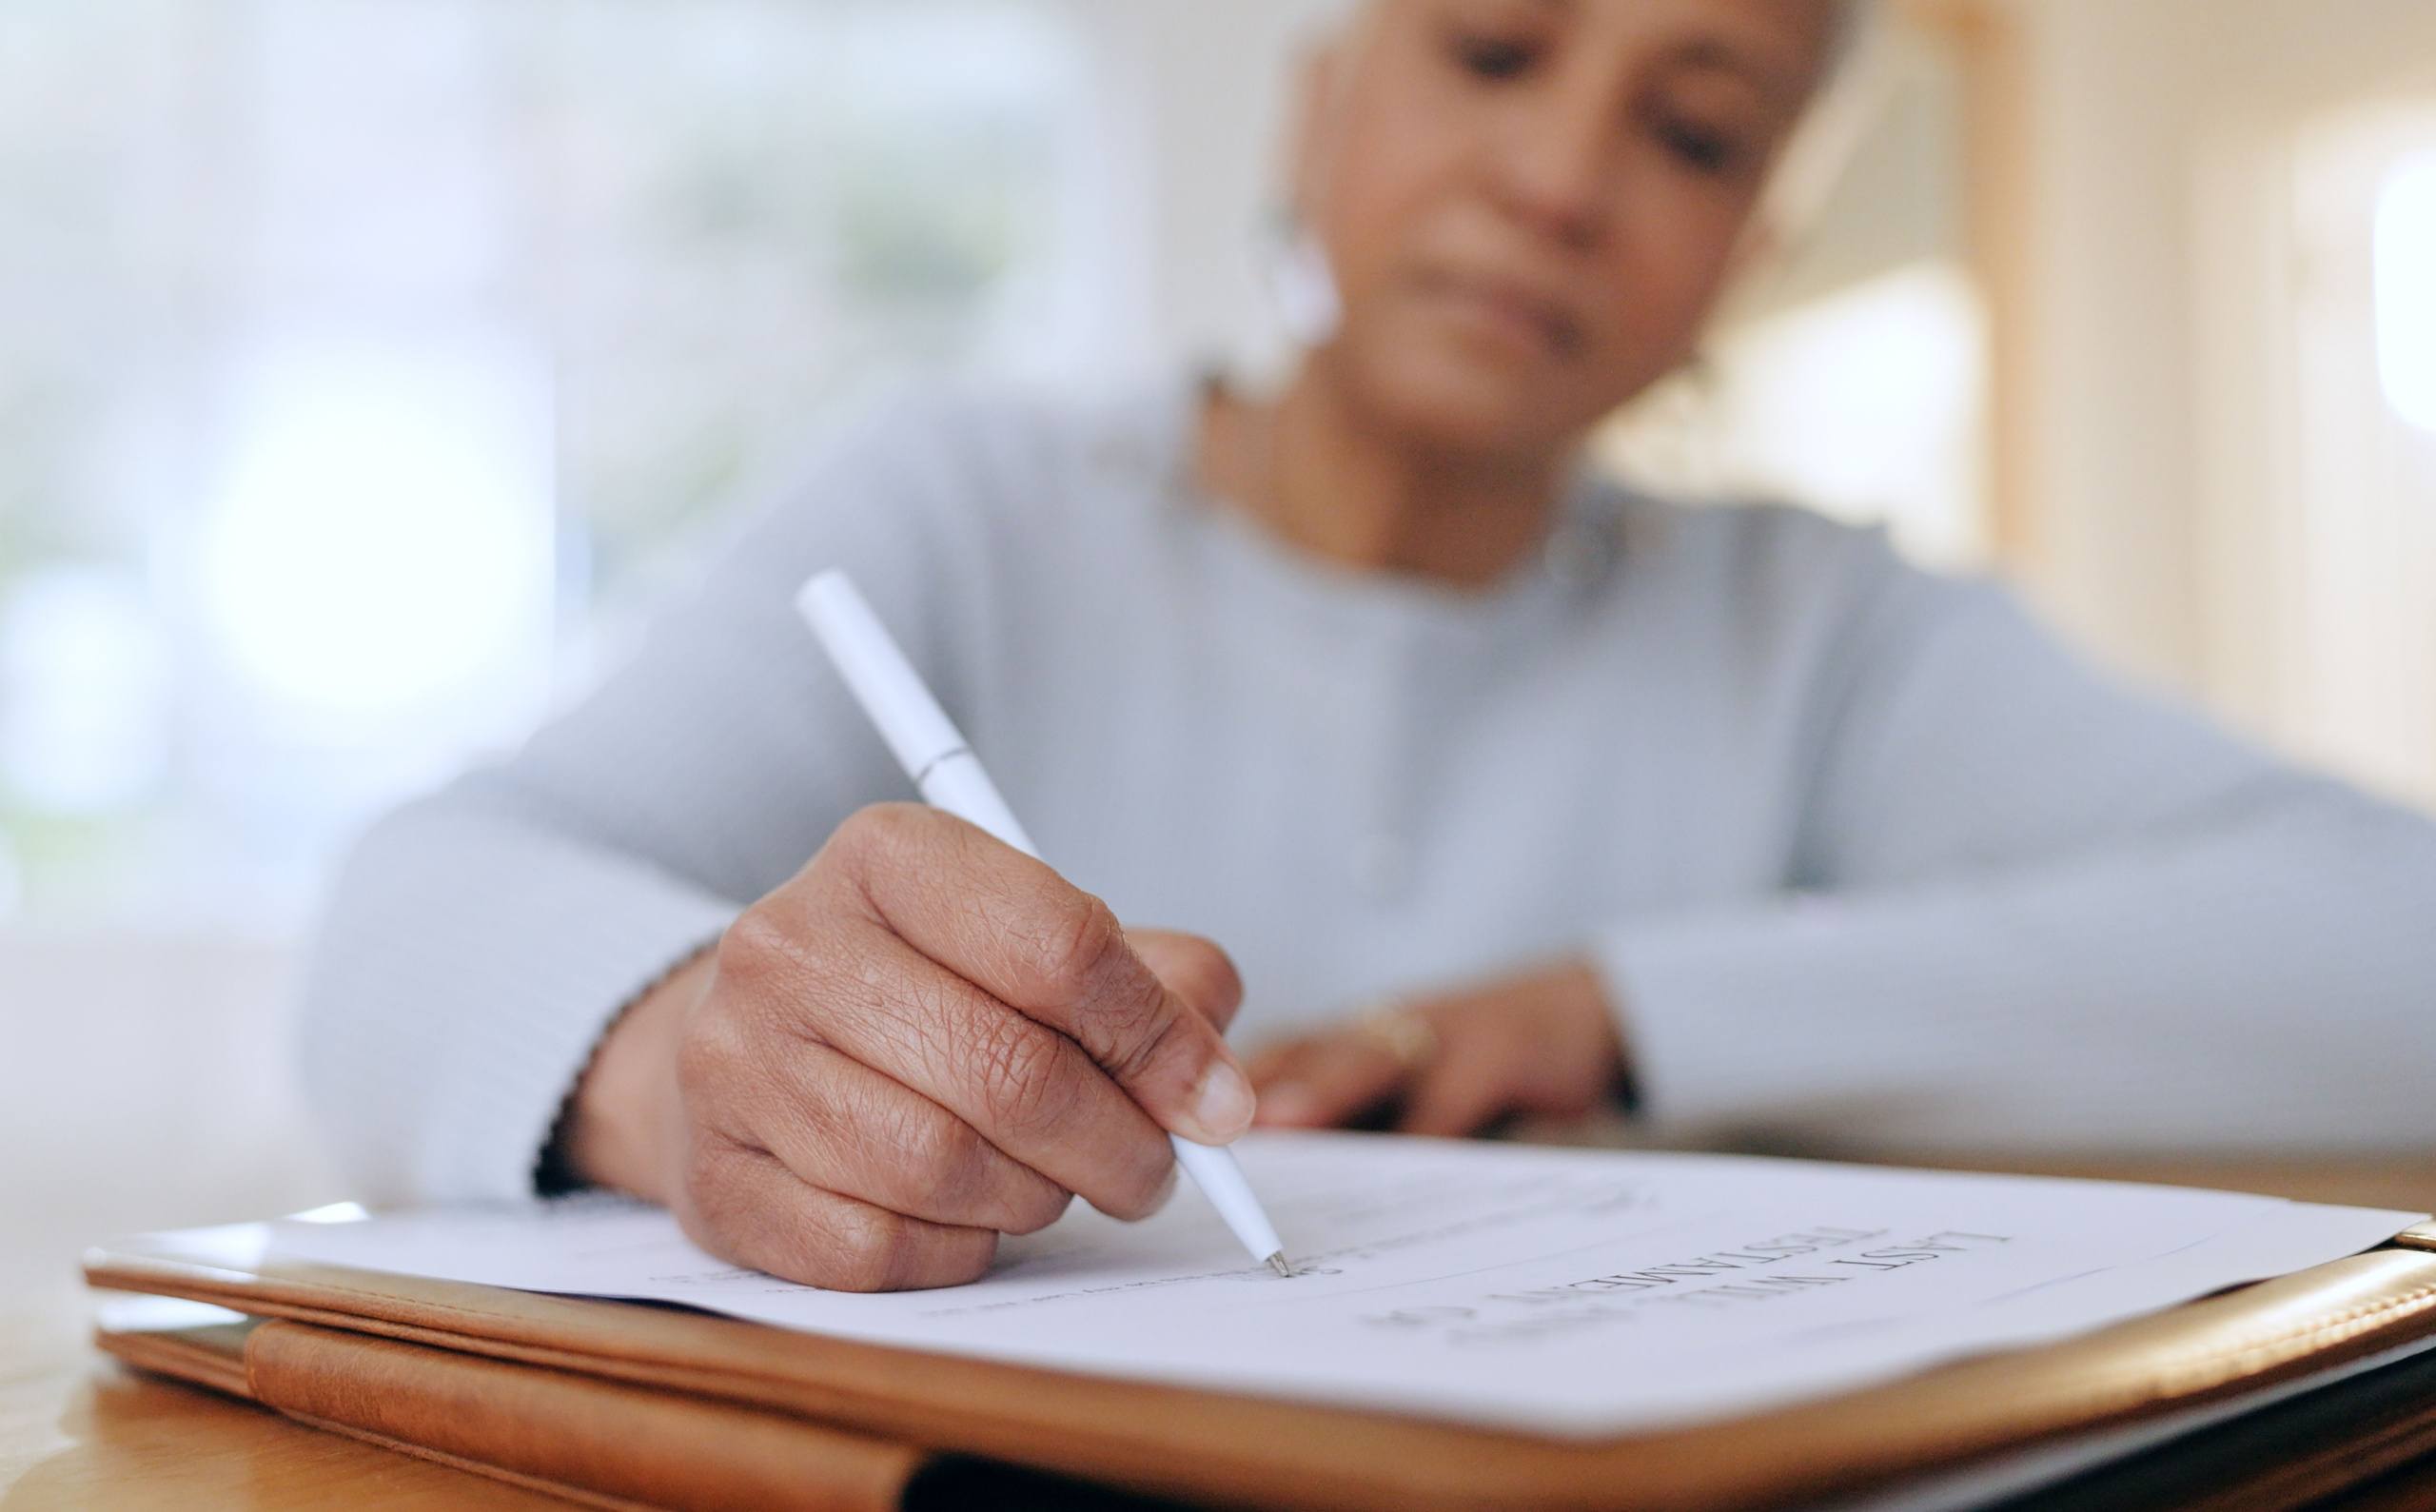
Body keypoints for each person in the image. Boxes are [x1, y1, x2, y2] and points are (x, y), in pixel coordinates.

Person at [299, 0, 2436, 1293]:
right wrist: (684, 1066)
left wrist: (1614, 1014)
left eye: (1691, 132)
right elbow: (399, 921)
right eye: (1491, 47)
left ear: (1750, 248)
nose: (1555, 178)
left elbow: (2387, 940)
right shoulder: (964, 503)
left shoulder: (1815, 629)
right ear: (1318, 105)